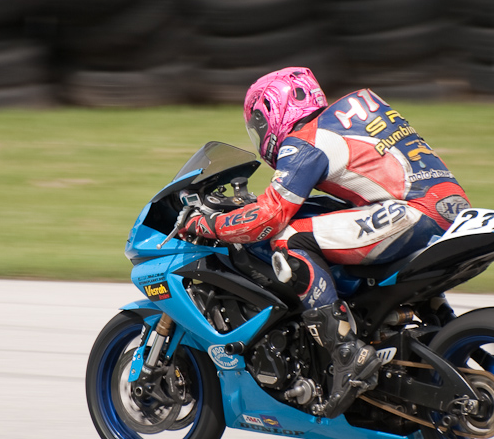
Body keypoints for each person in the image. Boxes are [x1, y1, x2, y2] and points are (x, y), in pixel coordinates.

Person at [180, 67, 470, 419]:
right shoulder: (354, 115)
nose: (259, 133)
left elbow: (269, 216)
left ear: (273, 111)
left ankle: (346, 353)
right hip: (452, 207)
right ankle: (448, 333)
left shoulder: (306, 140)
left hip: (411, 214)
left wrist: (209, 223)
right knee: (323, 219)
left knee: (289, 238)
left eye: (258, 123)